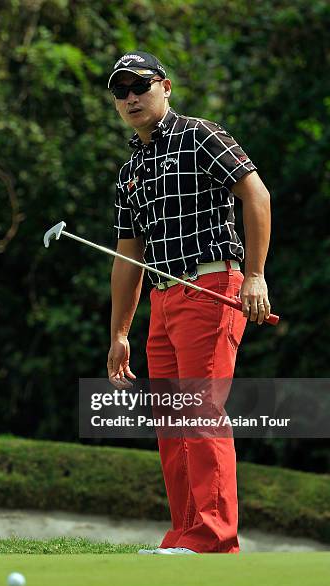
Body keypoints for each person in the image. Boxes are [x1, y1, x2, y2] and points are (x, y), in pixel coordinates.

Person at [106, 51, 271, 554]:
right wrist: (118, 334)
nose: (130, 97)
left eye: (139, 85)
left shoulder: (202, 135)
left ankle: (215, 537)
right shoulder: (130, 170)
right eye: (120, 90)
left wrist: (256, 276)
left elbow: (256, 196)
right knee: (172, 421)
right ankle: (184, 534)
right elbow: (127, 257)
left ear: (166, 86)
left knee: (200, 411)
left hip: (211, 287)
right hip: (162, 302)